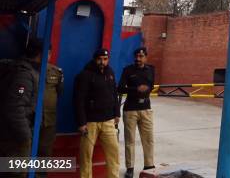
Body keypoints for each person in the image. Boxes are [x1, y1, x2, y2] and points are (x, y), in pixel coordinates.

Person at [74, 48, 120, 178]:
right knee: (86, 156)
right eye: (99, 59)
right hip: (90, 123)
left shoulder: (110, 72)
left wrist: (117, 113)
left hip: (108, 121)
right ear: (95, 60)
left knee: (113, 154)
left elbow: (114, 93)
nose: (102, 62)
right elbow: (79, 100)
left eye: (105, 59)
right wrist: (82, 122)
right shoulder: (85, 75)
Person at [0, 38, 43, 178]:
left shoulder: (21, 68)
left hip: (9, 132)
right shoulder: (24, 74)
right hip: (15, 136)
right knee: (17, 173)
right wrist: (25, 136)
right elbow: (14, 107)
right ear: (41, 54)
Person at [118, 47, 155, 178]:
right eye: (136, 56)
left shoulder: (151, 69)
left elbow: (151, 86)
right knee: (130, 140)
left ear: (146, 57)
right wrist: (136, 89)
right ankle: (130, 168)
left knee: (149, 139)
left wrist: (145, 90)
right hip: (130, 109)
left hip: (146, 108)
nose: (138, 59)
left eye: (141, 56)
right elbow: (120, 88)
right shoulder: (128, 70)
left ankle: (149, 166)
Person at [38, 42, 64, 177]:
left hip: (48, 119)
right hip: (29, 120)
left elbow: (59, 93)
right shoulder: (27, 70)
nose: (45, 56)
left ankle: (41, 175)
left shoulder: (56, 72)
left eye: (48, 53)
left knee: (44, 150)